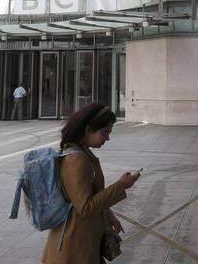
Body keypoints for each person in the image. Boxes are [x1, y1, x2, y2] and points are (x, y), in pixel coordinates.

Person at [42, 103, 140, 264]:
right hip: (74, 244)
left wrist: (109, 216)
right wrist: (121, 185)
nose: (107, 138)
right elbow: (85, 207)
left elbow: (91, 193)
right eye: (104, 132)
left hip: (83, 238)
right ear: (88, 129)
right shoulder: (76, 160)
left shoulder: (82, 153)